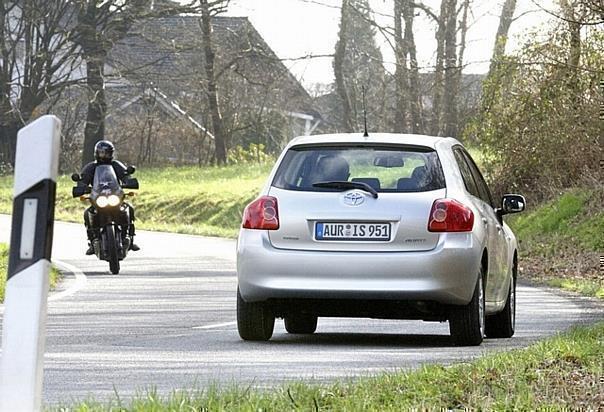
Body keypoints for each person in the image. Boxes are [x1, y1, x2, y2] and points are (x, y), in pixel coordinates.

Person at [79, 140, 140, 255]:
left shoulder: (116, 165)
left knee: (129, 208)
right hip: (98, 196)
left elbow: (125, 175)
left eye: (106, 153)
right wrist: (82, 187)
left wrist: (128, 182)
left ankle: (130, 239)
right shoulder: (91, 167)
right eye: (101, 153)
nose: (104, 155)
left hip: (114, 194)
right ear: (96, 153)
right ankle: (92, 241)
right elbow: (83, 180)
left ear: (111, 153)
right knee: (87, 213)